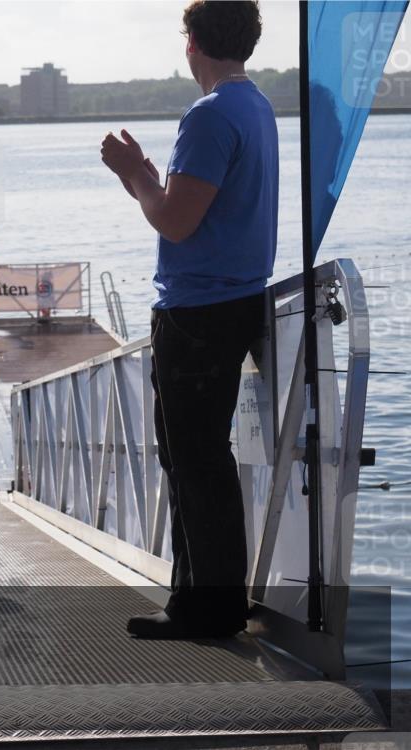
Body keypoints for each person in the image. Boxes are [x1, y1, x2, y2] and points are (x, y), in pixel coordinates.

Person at [100, 0, 277, 639]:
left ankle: (207, 608)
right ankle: (205, 601)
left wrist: (133, 176)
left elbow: (176, 220)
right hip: (232, 300)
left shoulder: (209, 115)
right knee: (199, 456)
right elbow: (192, 206)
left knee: (192, 458)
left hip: (198, 309)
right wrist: (148, 177)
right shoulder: (255, 106)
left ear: (192, 43)